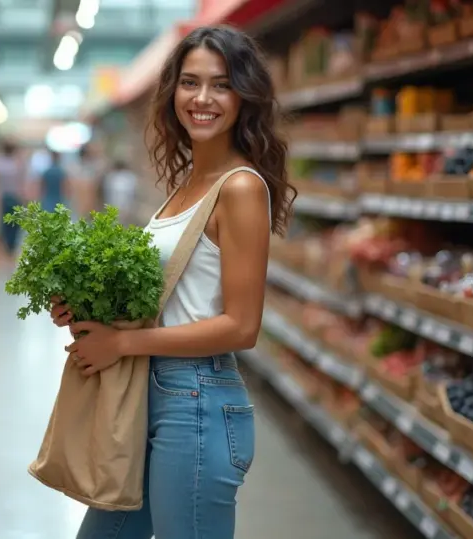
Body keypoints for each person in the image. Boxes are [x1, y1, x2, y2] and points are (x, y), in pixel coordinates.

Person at [49, 25, 296, 539]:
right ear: (173, 93)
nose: (202, 98)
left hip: (197, 402)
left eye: (221, 84)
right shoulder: (184, 187)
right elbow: (173, 295)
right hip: (149, 394)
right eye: (190, 82)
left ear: (243, 97)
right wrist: (87, 306)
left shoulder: (240, 187)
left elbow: (241, 326)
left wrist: (122, 343)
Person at [0, 140, 26, 260]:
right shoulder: (17, 163)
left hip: (3, 197)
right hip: (15, 197)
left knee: (4, 223)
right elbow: (21, 182)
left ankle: (7, 248)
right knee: (15, 223)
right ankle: (11, 247)